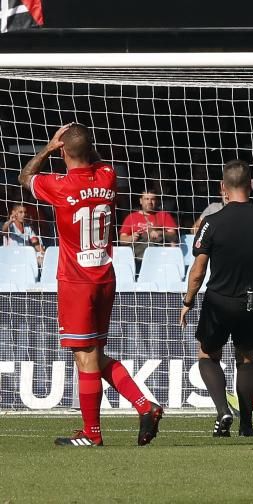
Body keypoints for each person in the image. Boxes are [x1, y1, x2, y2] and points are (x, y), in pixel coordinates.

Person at [19, 123, 162, 447]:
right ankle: (144, 406)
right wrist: (77, 145)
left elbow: (24, 177)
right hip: (104, 276)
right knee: (94, 355)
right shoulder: (108, 176)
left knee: (85, 359)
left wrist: (48, 148)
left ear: (64, 151)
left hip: (76, 281)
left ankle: (91, 434)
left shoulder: (59, 185)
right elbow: (91, 158)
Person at [180, 159, 253, 437]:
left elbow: (198, 270)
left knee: (207, 355)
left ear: (223, 188)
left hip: (219, 300)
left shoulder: (211, 222)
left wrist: (188, 301)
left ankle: (223, 409)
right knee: (246, 358)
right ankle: (246, 424)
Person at [118, 189, 179, 265]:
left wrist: (160, 233)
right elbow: (121, 240)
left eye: (152, 199)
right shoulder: (131, 217)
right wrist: (132, 237)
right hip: (137, 252)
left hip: (159, 251)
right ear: (141, 201)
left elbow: (174, 236)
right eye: (146, 199)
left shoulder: (164, 215)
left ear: (156, 201)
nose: (150, 202)